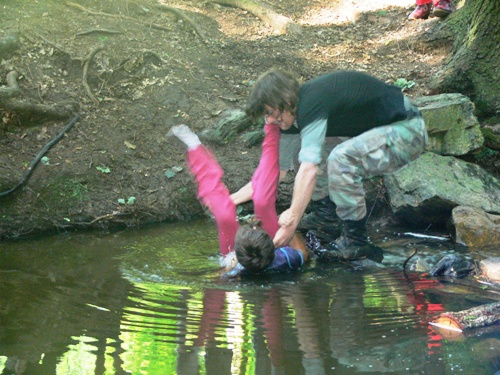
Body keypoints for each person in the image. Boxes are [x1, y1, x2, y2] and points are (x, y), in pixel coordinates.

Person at [235, 69, 428, 261]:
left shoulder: (311, 102)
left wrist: (292, 219)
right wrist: (232, 199)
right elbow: (277, 172)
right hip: (377, 134)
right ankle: (326, 218)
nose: (268, 120)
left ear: (284, 101)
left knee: (341, 158)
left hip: (409, 131)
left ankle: (356, 240)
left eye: (269, 112)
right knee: (300, 152)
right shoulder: (288, 119)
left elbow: (309, 169)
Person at [168, 123, 308, 275]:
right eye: (257, 229)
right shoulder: (286, 258)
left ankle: (194, 146)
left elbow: (217, 277)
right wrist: (288, 230)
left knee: (224, 215)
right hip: (269, 251)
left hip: (237, 259)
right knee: (263, 203)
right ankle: (272, 129)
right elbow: (304, 253)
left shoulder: (234, 265)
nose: (254, 225)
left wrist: (227, 269)